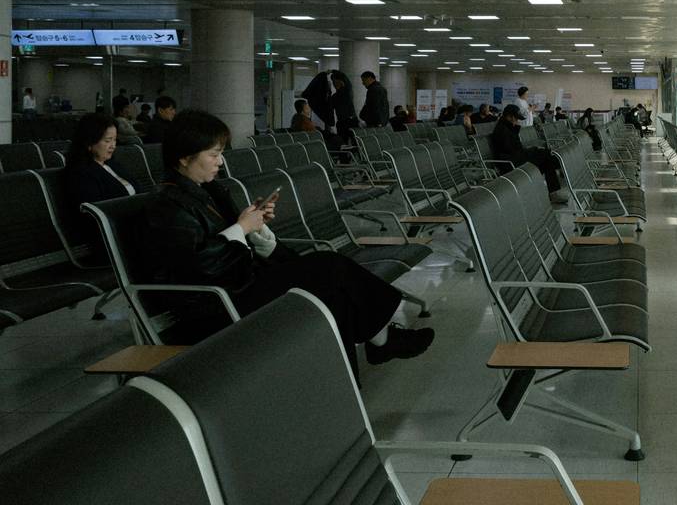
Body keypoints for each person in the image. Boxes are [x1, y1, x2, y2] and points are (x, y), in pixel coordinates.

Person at [142, 109, 433, 379]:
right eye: (214, 154)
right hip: (214, 304)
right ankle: (382, 339)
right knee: (329, 267)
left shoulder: (209, 191)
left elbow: (229, 240)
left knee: (334, 294)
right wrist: (242, 227)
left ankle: (347, 380)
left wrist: (254, 224)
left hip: (239, 283)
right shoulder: (168, 205)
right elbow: (199, 264)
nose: (220, 161)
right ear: (184, 158)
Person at [64, 113, 136, 256]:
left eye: (115, 140)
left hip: (131, 230)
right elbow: (96, 213)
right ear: (89, 142)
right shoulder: (79, 173)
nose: (113, 145)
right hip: (110, 237)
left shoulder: (112, 164)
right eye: (108, 140)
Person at [491, 104, 567, 202]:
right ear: (509, 117)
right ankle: (560, 168)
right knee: (545, 155)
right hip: (509, 163)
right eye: (516, 119)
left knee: (547, 161)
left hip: (515, 158)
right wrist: (531, 151)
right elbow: (512, 150)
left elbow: (516, 148)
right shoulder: (502, 130)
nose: (517, 121)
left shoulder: (507, 127)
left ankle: (554, 192)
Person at [329, 70, 357, 146]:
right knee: (342, 143)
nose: (335, 84)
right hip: (342, 122)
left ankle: (355, 156)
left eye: (336, 81)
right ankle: (345, 157)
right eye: (333, 82)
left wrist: (333, 71)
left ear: (341, 81)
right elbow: (329, 108)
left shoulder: (347, 91)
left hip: (351, 120)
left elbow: (345, 78)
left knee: (356, 142)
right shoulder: (334, 97)